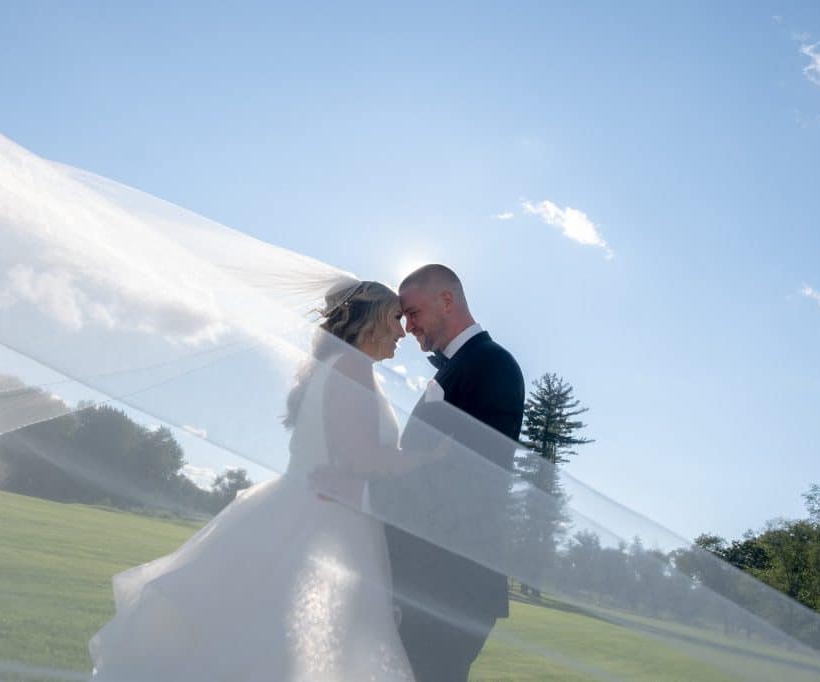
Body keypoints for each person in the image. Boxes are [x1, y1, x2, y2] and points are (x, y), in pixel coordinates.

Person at [88, 280, 422, 681]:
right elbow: (359, 456)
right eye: (396, 318)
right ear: (370, 320)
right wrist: (427, 460)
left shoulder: (336, 368)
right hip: (326, 526)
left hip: (303, 512)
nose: (402, 331)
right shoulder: (354, 367)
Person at [313, 264, 524, 682]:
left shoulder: (491, 366)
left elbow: (468, 484)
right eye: (402, 317)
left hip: (452, 587)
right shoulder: (457, 368)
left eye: (413, 313)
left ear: (447, 300)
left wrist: (365, 495)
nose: (407, 327)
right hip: (421, 581)